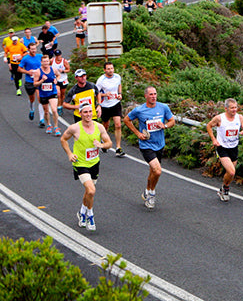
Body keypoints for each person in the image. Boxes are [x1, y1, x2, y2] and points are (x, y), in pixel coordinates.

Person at [60, 102, 113, 232]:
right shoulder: (74, 128)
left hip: (94, 163)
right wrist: (70, 154)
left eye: (90, 112)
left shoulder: (99, 127)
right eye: (85, 112)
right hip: (80, 163)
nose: (88, 114)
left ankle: (82, 212)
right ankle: (90, 215)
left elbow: (109, 143)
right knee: (91, 191)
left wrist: (101, 146)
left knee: (89, 191)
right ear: (80, 113)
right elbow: (63, 139)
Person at [123, 86, 175, 209]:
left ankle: (147, 190)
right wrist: (138, 133)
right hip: (146, 145)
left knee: (153, 171)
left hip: (159, 144)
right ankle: (152, 193)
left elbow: (172, 121)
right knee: (157, 170)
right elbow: (126, 120)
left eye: (155, 94)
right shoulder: (139, 110)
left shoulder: (163, 107)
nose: (153, 96)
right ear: (146, 96)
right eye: (151, 94)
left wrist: (165, 126)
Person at [206, 98, 243, 202]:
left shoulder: (239, 117)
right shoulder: (219, 118)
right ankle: (226, 189)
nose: (234, 110)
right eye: (232, 108)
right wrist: (214, 139)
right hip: (222, 147)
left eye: (236, 107)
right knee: (231, 172)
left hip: (234, 147)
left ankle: (223, 188)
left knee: (231, 173)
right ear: (226, 108)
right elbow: (209, 126)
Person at [96, 62, 125, 157]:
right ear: (104, 70)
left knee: (118, 124)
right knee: (106, 124)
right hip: (105, 105)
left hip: (115, 103)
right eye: (108, 69)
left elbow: (119, 85)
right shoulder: (101, 80)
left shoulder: (117, 77)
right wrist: (105, 95)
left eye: (111, 68)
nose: (110, 70)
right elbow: (97, 93)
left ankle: (118, 148)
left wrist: (120, 94)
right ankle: (104, 140)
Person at [33, 54, 62, 136]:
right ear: (41, 62)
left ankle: (56, 127)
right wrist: (42, 80)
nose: (46, 63)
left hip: (52, 92)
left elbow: (59, 75)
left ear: (49, 61)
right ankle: (49, 125)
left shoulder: (53, 69)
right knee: (46, 112)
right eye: (44, 62)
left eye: (47, 61)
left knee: (54, 110)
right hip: (43, 93)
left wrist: (56, 80)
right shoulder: (38, 72)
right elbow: (35, 84)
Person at [17, 43, 44, 125]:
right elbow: (19, 69)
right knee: (32, 99)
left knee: (40, 99)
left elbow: (46, 65)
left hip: (39, 81)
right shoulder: (25, 58)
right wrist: (27, 72)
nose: (34, 50)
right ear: (28, 49)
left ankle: (41, 120)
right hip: (30, 81)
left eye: (35, 48)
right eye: (32, 49)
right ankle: (32, 109)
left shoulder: (40, 56)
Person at [51, 49, 70, 116]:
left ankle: (61, 105)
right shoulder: (52, 61)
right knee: (58, 93)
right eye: (57, 55)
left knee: (62, 94)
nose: (58, 57)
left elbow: (68, 69)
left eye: (59, 55)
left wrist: (63, 71)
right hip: (56, 80)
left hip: (63, 79)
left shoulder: (64, 61)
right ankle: (58, 107)